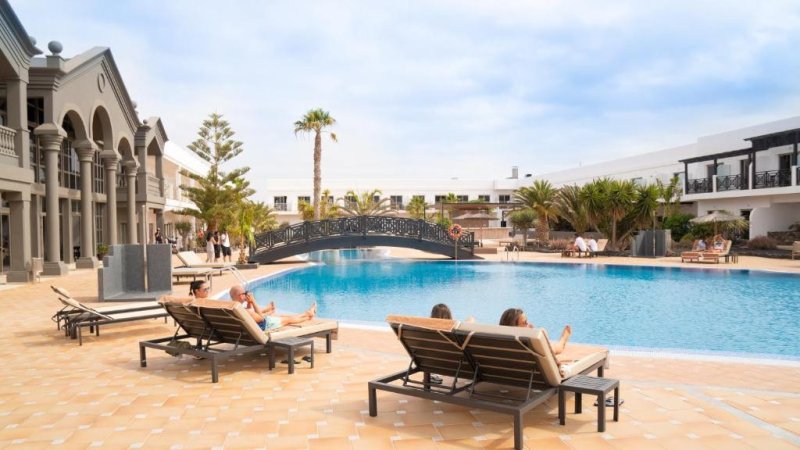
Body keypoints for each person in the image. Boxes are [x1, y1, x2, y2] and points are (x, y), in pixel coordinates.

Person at [228, 284, 316, 331]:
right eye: (245, 293)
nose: (246, 294)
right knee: (288, 320)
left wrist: (249, 303)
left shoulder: (232, 307)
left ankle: (307, 313)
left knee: (283, 316)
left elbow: (252, 315)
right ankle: (308, 315)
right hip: (265, 325)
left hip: (253, 327)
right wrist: (253, 300)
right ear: (240, 296)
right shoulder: (242, 310)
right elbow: (261, 319)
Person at [498, 308, 571, 355]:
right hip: (532, 373)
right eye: (525, 323)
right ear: (514, 328)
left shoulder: (498, 344)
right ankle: (563, 340)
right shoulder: (528, 346)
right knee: (543, 333)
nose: (531, 325)